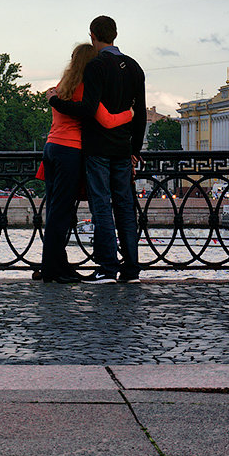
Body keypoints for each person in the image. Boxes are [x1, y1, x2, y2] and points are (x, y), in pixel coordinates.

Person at [49, 16, 147, 283]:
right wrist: (135, 149)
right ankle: (131, 269)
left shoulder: (96, 66)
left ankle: (107, 267)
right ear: (115, 35)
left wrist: (56, 102)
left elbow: (89, 109)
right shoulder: (136, 68)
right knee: (126, 207)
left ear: (93, 35)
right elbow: (140, 116)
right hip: (123, 149)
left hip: (97, 148)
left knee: (101, 206)